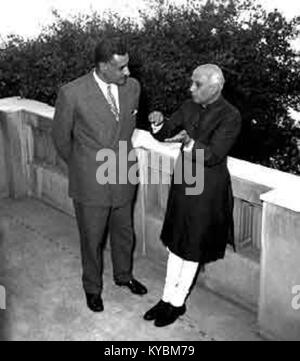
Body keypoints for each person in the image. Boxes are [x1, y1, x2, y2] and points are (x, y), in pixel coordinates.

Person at [52, 37, 147, 313]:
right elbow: (61, 139)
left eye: (127, 66)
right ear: (103, 66)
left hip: (124, 172)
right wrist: (84, 167)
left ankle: (124, 276)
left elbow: (125, 130)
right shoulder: (72, 93)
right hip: (91, 180)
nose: (127, 73)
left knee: (124, 232)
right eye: (121, 68)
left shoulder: (133, 87)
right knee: (91, 238)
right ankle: (92, 288)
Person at [144, 64, 241, 327]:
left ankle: (177, 303)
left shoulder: (231, 116)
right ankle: (166, 299)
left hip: (207, 190)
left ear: (215, 86)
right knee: (176, 242)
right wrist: (158, 122)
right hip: (184, 183)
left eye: (197, 84)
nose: (191, 88)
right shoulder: (188, 106)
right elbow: (167, 134)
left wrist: (188, 143)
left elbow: (213, 155)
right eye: (192, 83)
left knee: (192, 246)